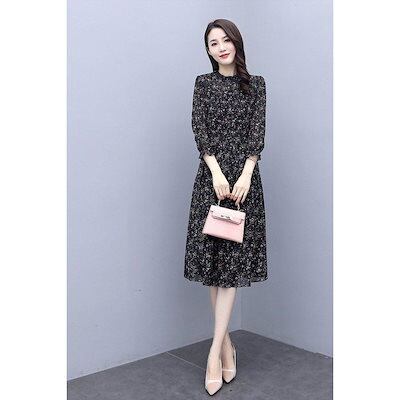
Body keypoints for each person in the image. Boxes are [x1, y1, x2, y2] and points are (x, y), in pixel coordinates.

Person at [183, 18, 268, 395]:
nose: (221, 47)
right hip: (211, 179)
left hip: (244, 183)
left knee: (231, 267)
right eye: (213, 43)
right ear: (208, 50)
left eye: (225, 40)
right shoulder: (203, 84)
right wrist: (216, 171)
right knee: (214, 265)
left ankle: (213, 353)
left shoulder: (256, 85)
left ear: (236, 42)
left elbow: (257, 131)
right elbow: (199, 129)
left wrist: (246, 173)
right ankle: (225, 347)